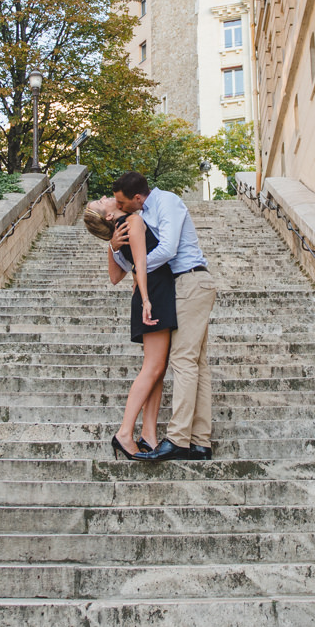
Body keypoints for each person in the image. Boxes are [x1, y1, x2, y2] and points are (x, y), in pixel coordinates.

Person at [109, 170, 216, 461]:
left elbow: (167, 249)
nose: (120, 206)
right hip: (183, 284)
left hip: (189, 280)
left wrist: (138, 269)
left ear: (138, 198)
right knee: (197, 364)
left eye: (122, 202)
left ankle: (179, 439)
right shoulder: (141, 214)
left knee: (182, 360)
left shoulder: (166, 202)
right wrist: (116, 248)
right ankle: (200, 442)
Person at [83, 197, 174, 459]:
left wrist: (113, 247)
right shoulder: (132, 221)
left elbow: (119, 274)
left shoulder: (122, 230)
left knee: (158, 368)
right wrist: (146, 298)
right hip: (153, 294)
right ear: (109, 217)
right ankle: (124, 433)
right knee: (153, 367)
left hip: (155, 292)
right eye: (102, 201)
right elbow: (136, 268)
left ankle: (149, 434)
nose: (107, 197)